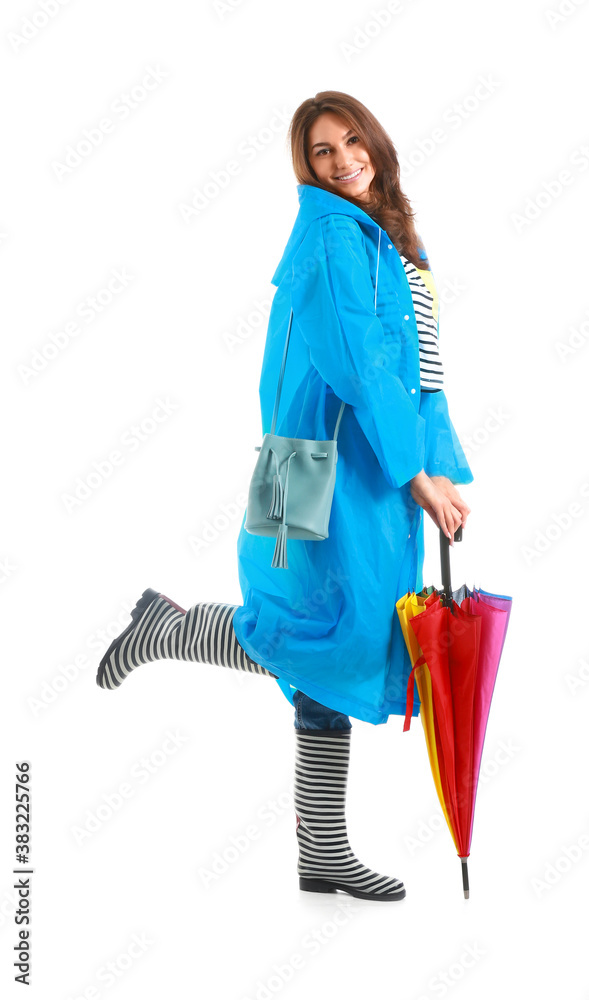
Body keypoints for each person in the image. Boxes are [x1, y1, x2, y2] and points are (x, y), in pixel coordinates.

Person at [96, 91, 473, 903]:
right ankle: (175, 629)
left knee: (330, 650)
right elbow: (360, 364)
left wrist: (436, 466)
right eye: (322, 152)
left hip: (320, 458)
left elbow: (424, 367)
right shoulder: (333, 231)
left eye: (349, 141)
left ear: (376, 139)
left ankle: (322, 850)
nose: (342, 161)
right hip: (324, 463)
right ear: (305, 166)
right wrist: (415, 475)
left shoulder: (394, 235)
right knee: (334, 639)